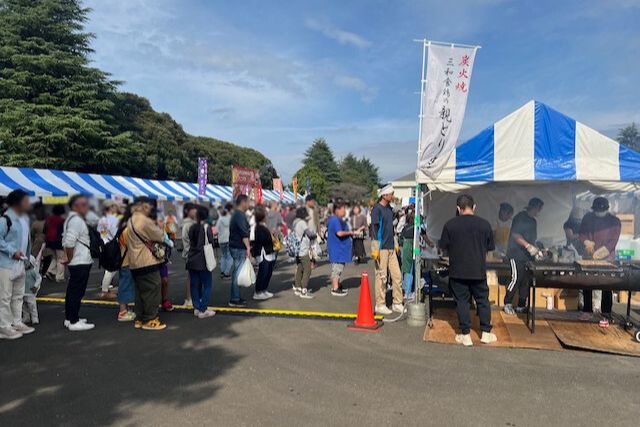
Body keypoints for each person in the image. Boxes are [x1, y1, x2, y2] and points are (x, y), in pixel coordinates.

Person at [440, 194, 497, 347]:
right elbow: (490, 250)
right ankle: (486, 333)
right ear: (474, 207)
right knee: (482, 301)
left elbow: (443, 248)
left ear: (458, 208)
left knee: (462, 302)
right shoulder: (485, 225)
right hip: (478, 271)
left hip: (457, 271)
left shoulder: (450, 225)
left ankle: (465, 335)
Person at [127, 197, 166, 331]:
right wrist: (160, 227)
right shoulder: (144, 221)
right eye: (149, 207)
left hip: (134, 261)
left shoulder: (131, 219)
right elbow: (160, 236)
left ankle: (140, 318)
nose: (150, 209)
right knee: (153, 289)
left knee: (140, 291)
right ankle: (150, 319)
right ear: (144, 206)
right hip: (146, 261)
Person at [579, 197, 621, 321]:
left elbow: (613, 241)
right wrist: (586, 242)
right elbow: (581, 233)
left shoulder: (614, 221)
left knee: (606, 284)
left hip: (607, 258)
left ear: (607, 209)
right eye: (596, 210)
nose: (598, 212)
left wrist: (602, 252)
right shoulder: (588, 217)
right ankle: (587, 310)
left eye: (601, 210)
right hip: (588, 256)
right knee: (588, 283)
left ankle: (606, 312)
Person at [0, 189, 35, 339]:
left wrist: (27, 260)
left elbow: (27, 242)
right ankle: (4, 326)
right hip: (6, 263)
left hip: (20, 264)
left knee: (18, 295)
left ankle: (17, 322)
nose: (29, 204)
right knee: (5, 296)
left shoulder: (24, 220)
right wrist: (12, 251)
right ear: (17, 203)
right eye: (26, 201)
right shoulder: (4, 220)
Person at [503, 197, 544, 315]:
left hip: (527, 257)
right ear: (534, 207)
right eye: (539, 209)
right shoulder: (520, 217)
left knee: (525, 281)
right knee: (515, 278)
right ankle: (507, 303)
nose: (539, 212)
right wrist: (528, 246)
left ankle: (521, 305)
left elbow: (532, 239)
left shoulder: (533, 221)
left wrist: (536, 250)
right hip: (516, 254)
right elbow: (516, 235)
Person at [62, 195, 96, 332]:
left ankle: (70, 318)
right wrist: (69, 257)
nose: (86, 207)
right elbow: (69, 241)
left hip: (77, 260)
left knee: (72, 291)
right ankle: (74, 321)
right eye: (83, 204)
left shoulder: (72, 219)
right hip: (79, 261)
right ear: (74, 206)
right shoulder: (76, 220)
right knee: (76, 292)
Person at [370, 184, 403, 315]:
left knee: (397, 276)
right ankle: (380, 304)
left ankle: (397, 302)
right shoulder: (377, 209)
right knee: (381, 277)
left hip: (390, 247)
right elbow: (374, 229)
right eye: (391, 193)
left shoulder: (389, 209)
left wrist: (395, 242)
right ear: (384, 195)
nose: (393, 195)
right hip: (381, 248)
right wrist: (375, 248)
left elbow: (392, 228)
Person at [186, 206, 216, 318]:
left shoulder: (192, 227)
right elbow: (211, 242)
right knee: (207, 284)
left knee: (194, 284)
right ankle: (203, 309)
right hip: (203, 260)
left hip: (192, 259)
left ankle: (197, 307)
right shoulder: (206, 227)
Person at [327, 200, 359, 297]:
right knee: (337, 268)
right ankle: (335, 288)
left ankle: (336, 285)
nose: (345, 210)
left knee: (338, 268)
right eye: (343, 209)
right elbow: (339, 233)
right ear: (337, 210)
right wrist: (351, 233)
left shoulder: (335, 219)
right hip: (337, 249)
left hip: (338, 248)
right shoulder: (335, 220)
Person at [228, 195, 251, 307]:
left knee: (237, 272)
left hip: (235, 246)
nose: (249, 204)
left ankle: (235, 296)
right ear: (243, 202)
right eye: (248, 202)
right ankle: (234, 298)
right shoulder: (240, 215)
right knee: (237, 273)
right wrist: (248, 248)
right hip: (238, 247)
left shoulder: (236, 214)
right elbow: (244, 233)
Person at [97, 200, 121, 299]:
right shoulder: (114, 219)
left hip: (104, 244)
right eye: (115, 206)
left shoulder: (101, 219)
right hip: (113, 244)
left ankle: (105, 288)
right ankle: (104, 290)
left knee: (109, 267)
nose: (116, 208)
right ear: (111, 207)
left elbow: (100, 231)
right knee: (112, 268)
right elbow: (117, 233)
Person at [251, 205, 276, 300]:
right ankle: (258, 291)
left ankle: (264, 289)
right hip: (263, 253)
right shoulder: (258, 227)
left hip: (268, 251)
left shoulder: (263, 226)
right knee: (263, 272)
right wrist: (271, 237)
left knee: (268, 272)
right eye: (265, 214)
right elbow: (261, 240)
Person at [115, 206, 135, 322]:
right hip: (127, 262)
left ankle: (126, 310)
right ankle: (122, 312)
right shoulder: (128, 230)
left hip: (124, 261)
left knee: (126, 285)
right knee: (125, 286)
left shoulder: (123, 228)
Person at [292, 207, 316, 299]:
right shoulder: (302, 223)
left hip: (296, 249)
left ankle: (298, 288)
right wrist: (314, 235)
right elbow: (310, 234)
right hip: (302, 249)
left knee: (300, 268)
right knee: (307, 269)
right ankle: (304, 290)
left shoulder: (295, 222)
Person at [44, 204, 66, 282]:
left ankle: (50, 271)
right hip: (58, 241)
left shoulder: (48, 219)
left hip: (49, 241)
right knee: (61, 259)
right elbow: (63, 232)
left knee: (54, 257)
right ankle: (59, 277)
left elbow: (45, 230)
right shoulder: (62, 220)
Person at [181, 203, 197, 307]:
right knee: (192, 277)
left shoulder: (189, 223)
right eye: (193, 210)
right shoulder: (189, 224)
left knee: (190, 277)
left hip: (190, 253)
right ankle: (189, 298)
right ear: (187, 211)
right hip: (192, 254)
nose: (195, 211)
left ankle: (188, 298)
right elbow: (189, 241)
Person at [217, 203, 233, 278]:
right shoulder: (231, 219)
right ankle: (227, 272)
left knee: (224, 256)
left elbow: (216, 230)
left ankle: (222, 271)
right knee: (229, 256)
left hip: (221, 240)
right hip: (229, 239)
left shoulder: (220, 219)